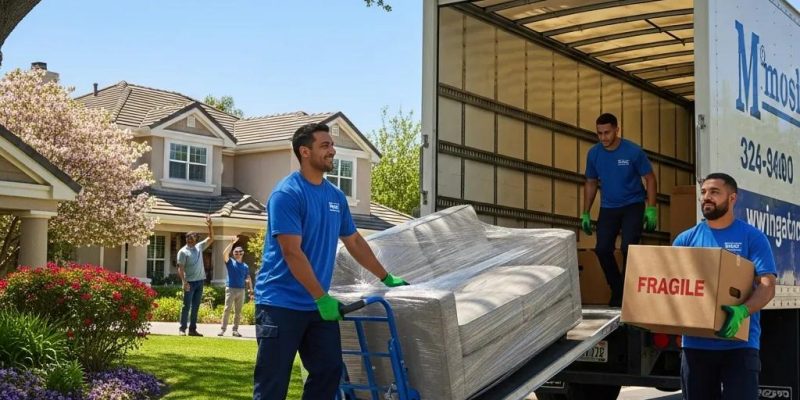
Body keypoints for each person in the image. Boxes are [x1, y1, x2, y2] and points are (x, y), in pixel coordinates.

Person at [252, 122, 409, 400]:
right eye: (325, 145)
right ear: (304, 152)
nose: (332, 151)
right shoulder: (287, 194)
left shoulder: (335, 196)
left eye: (332, 145)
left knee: (329, 371)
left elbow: (355, 242)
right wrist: (322, 297)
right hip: (280, 305)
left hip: (316, 306)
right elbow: (291, 251)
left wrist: (386, 277)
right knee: (272, 384)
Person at [674, 173, 776, 399]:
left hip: (739, 347)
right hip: (695, 346)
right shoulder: (685, 241)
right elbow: (672, 287)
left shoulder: (752, 237)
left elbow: (768, 285)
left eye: (714, 192)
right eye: (703, 193)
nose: (706, 198)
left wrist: (743, 311)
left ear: (732, 199)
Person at [582, 112, 658, 307]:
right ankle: (619, 289)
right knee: (602, 249)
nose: (603, 138)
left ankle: (625, 295)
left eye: (607, 132)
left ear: (617, 129)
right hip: (609, 207)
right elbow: (591, 182)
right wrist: (586, 212)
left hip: (633, 204)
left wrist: (651, 208)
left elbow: (649, 178)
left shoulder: (632, 151)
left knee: (628, 248)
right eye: (599, 133)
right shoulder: (594, 154)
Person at [176, 215, 214, 336]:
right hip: (189, 283)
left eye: (192, 238)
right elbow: (180, 269)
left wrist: (210, 225)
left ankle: (192, 330)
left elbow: (211, 238)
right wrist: (184, 282)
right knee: (186, 306)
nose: (190, 240)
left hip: (200, 282)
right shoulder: (183, 252)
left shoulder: (199, 247)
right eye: (188, 238)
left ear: (196, 239)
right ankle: (182, 329)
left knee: (196, 307)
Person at [218, 235, 254, 337]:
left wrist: (251, 290)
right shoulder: (230, 262)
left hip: (241, 290)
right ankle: (223, 330)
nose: (238, 254)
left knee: (238, 312)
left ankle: (235, 330)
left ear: (243, 253)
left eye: (240, 252)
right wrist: (231, 243)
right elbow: (224, 254)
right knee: (227, 309)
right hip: (230, 289)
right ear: (233, 254)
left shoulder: (245, 266)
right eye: (236, 252)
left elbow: (248, 278)